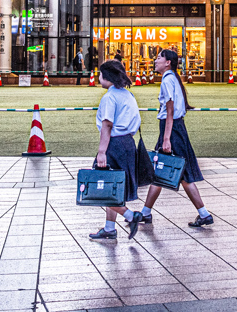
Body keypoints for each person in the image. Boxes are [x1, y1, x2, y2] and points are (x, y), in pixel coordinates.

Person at [138, 49, 213, 228]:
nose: (155, 61)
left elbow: (169, 111)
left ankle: (204, 213)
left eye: (158, 58)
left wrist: (166, 139)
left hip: (171, 129)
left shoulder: (167, 81)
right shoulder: (173, 79)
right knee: (162, 170)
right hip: (176, 128)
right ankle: (146, 212)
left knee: (177, 172)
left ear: (168, 62)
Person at [89, 59, 145, 241]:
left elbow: (107, 125)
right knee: (113, 186)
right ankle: (109, 228)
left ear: (107, 76)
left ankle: (130, 216)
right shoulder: (128, 95)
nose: (98, 77)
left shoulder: (109, 97)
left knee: (102, 187)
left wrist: (101, 152)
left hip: (114, 144)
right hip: (128, 143)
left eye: (100, 74)